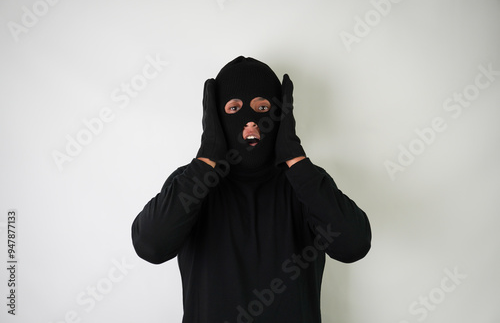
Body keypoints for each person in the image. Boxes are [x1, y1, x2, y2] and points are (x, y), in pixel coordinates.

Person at [131, 56, 371, 323]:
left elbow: (354, 245)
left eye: (263, 107)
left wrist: (294, 157)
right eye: (234, 109)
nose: (250, 121)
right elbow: (149, 245)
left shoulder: (306, 184)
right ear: (216, 119)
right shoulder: (192, 184)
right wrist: (207, 157)